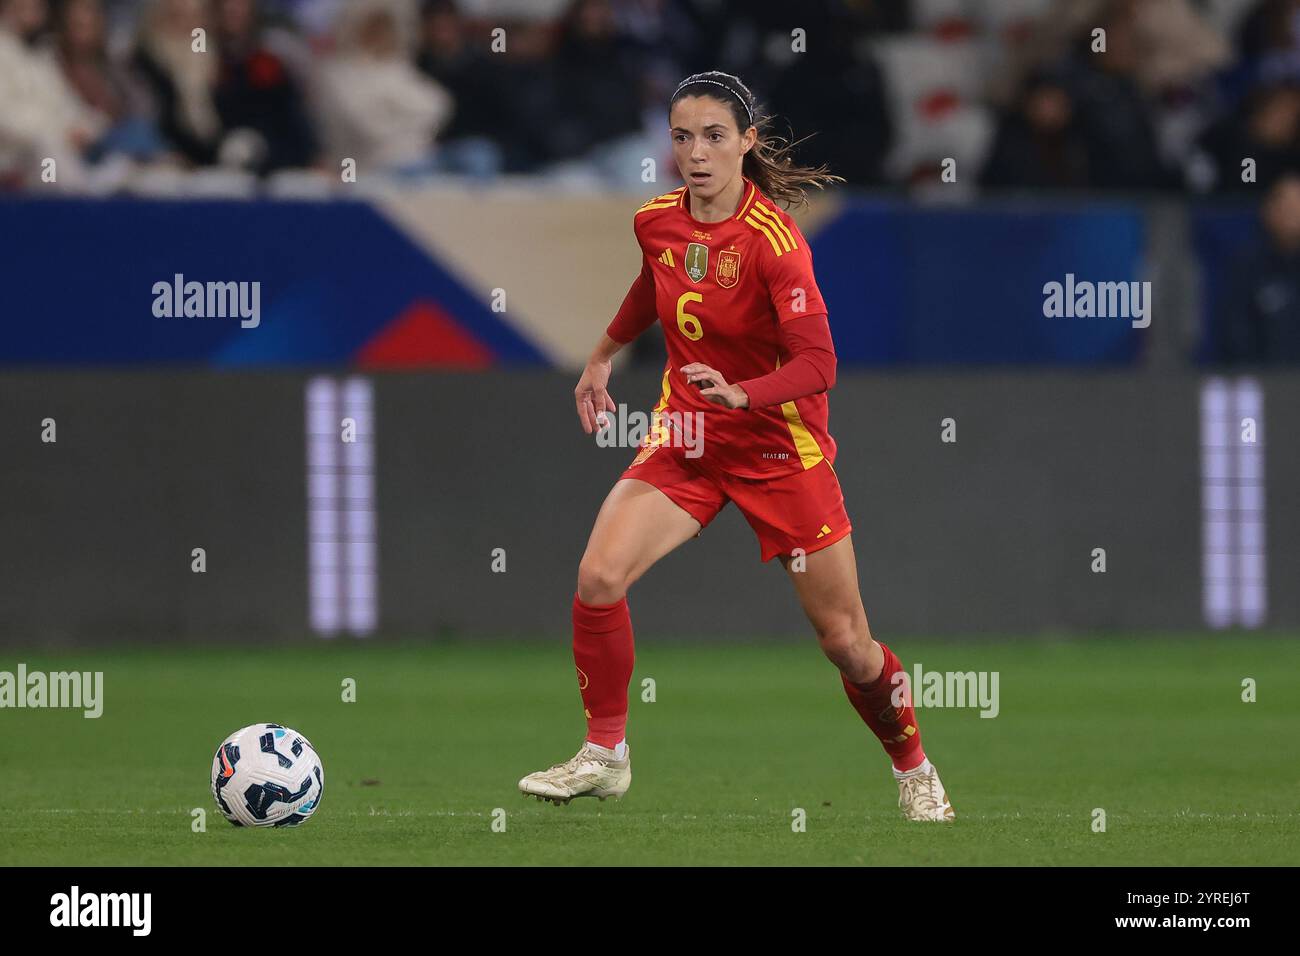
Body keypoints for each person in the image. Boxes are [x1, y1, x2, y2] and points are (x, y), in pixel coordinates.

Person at [517, 71, 955, 822]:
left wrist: (743, 393)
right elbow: (653, 286)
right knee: (598, 578)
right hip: (688, 436)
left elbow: (820, 365)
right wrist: (601, 356)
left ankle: (915, 768)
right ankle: (606, 753)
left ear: (748, 143)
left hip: (781, 452)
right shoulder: (656, 220)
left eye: (715, 136)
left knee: (847, 643)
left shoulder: (776, 244)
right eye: (683, 136)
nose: (696, 152)